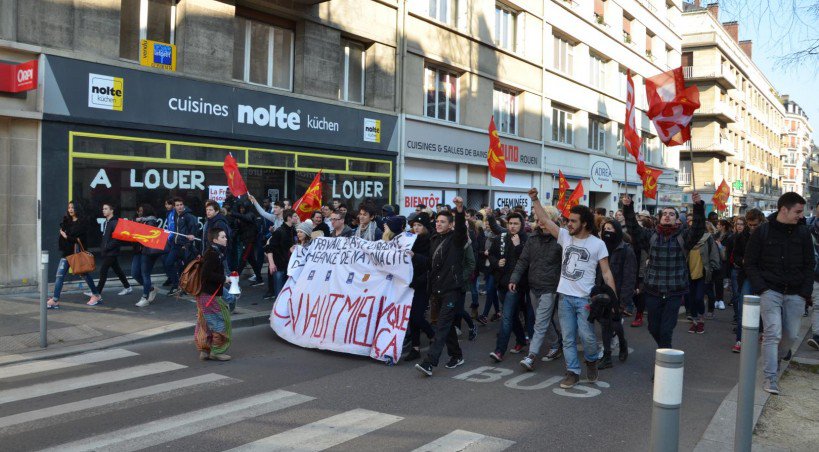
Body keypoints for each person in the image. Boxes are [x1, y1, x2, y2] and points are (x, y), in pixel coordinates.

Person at [528, 188, 617, 389]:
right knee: (568, 338)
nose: (568, 223)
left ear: (584, 223)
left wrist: (614, 300)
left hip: (586, 299)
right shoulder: (565, 237)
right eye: (568, 220)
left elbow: (606, 273)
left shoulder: (597, 244)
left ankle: (592, 360)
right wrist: (535, 199)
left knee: (587, 337)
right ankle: (573, 372)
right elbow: (545, 220)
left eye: (573, 221)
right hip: (564, 298)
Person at [744, 192, 814, 395]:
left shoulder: (803, 233)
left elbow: (810, 264)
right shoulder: (762, 232)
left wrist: (804, 292)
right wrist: (762, 288)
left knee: (790, 335)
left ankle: (780, 356)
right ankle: (770, 377)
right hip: (770, 291)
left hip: (796, 293)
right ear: (784, 209)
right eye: (798, 211)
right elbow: (750, 262)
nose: (801, 215)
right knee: (772, 332)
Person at [622, 191, 705, 354]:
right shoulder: (650, 236)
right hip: (653, 290)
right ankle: (667, 352)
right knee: (653, 328)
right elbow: (633, 228)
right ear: (659, 218)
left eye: (671, 214)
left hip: (674, 292)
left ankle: (664, 365)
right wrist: (628, 207)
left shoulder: (684, 237)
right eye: (665, 214)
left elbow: (698, 229)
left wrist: (698, 207)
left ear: (677, 219)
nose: (667, 216)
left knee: (666, 330)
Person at [415, 196, 468, 377]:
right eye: (437, 221)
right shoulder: (434, 238)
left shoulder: (456, 239)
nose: (438, 224)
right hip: (436, 290)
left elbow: (461, 229)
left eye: (443, 221)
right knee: (447, 325)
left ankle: (429, 362)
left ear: (451, 224)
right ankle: (457, 355)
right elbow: (430, 263)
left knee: (442, 326)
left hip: (452, 289)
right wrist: (414, 256)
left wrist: (459, 210)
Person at [514, 205, 564, 371]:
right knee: (542, 320)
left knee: (540, 323)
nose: (541, 222)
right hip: (533, 286)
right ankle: (556, 343)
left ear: (552, 220)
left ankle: (531, 356)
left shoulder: (562, 239)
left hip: (551, 287)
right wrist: (515, 278)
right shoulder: (532, 238)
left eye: (544, 218)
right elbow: (523, 261)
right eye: (539, 218)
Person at [487, 212, 529, 362]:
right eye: (510, 223)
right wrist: (496, 262)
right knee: (512, 315)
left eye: (516, 224)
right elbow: (491, 254)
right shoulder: (501, 237)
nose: (512, 226)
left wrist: (518, 246)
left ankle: (499, 351)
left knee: (506, 316)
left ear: (522, 225)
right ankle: (521, 340)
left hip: (516, 285)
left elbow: (526, 261)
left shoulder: (526, 240)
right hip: (502, 283)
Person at [595, 219, 636, 369]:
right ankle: (607, 356)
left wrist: (624, 300)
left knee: (615, 324)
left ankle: (622, 343)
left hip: (617, 294)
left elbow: (629, 277)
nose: (607, 232)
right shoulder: (600, 248)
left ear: (617, 231)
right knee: (605, 324)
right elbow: (598, 271)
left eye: (611, 229)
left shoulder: (626, 250)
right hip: (601, 293)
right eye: (605, 229)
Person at [47, 201, 101, 308]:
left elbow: (79, 239)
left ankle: (96, 295)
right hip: (66, 254)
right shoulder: (67, 221)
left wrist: (66, 236)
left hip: (77, 254)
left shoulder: (82, 223)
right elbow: (63, 236)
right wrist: (64, 232)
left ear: (77, 209)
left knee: (85, 275)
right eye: (69, 207)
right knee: (59, 276)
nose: (70, 209)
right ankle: (55, 300)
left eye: (72, 207)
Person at [195, 228, 233, 361]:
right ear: (215, 240)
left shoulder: (212, 252)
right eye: (223, 237)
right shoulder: (213, 254)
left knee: (204, 322)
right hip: (210, 295)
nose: (226, 239)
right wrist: (224, 279)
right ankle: (217, 351)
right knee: (221, 322)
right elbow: (206, 274)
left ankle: (205, 350)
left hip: (204, 295)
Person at [404, 212, 436, 361]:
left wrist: (415, 256)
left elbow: (431, 263)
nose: (416, 228)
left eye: (419, 225)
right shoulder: (410, 241)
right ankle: (415, 348)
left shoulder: (431, 241)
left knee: (417, 316)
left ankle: (432, 334)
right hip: (409, 282)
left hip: (424, 283)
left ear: (425, 226)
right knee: (411, 317)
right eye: (414, 225)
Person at [89, 203, 132, 303]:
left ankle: (96, 293)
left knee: (103, 271)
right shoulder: (107, 222)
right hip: (108, 251)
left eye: (106, 209)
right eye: (103, 209)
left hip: (111, 252)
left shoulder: (115, 222)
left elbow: (117, 239)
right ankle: (128, 287)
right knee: (118, 270)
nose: (103, 210)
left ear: (112, 210)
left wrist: (107, 247)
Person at [684, 220, 721, 333]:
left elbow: (714, 256)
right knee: (691, 299)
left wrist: (712, 269)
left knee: (699, 298)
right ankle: (695, 322)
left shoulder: (708, 238)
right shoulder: (688, 239)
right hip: (689, 273)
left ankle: (701, 320)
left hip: (703, 273)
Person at [132, 204, 163, 307]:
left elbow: (148, 235)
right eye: (138, 211)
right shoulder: (139, 220)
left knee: (145, 274)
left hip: (148, 252)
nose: (139, 213)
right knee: (135, 273)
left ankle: (145, 297)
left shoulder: (151, 221)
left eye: (141, 211)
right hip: (138, 251)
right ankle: (151, 289)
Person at [165, 198, 197, 297]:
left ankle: (185, 287)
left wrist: (186, 245)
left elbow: (193, 232)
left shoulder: (188, 216)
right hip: (175, 245)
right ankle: (176, 285)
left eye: (181, 204)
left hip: (184, 246)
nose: (180, 207)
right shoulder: (174, 215)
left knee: (185, 269)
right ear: (174, 207)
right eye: (177, 205)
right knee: (168, 264)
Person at [264, 209, 298, 299]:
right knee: (279, 293)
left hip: (289, 266)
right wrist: (271, 264)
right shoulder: (279, 231)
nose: (297, 218)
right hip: (279, 266)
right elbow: (269, 248)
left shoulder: (293, 230)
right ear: (289, 218)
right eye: (295, 216)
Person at [229, 200, 264, 286]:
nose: (241, 209)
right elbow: (239, 229)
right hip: (245, 241)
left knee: (243, 260)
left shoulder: (250, 215)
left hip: (250, 241)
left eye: (243, 208)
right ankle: (259, 279)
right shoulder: (241, 217)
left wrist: (233, 214)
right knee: (252, 261)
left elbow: (246, 218)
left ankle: (234, 280)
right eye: (240, 208)